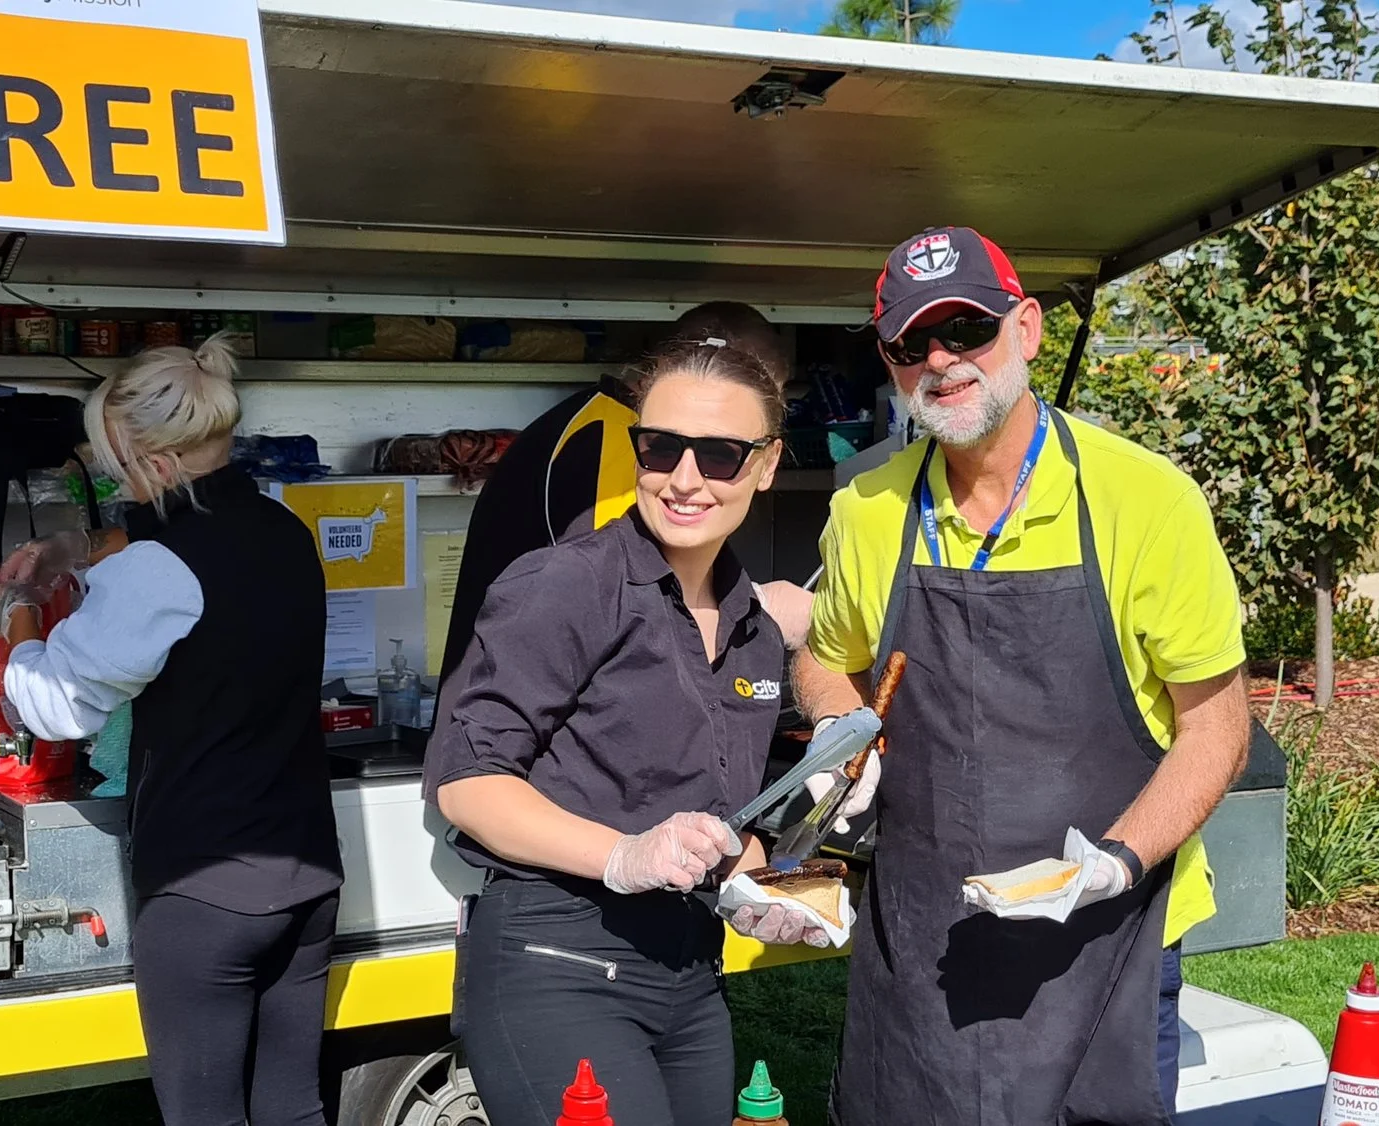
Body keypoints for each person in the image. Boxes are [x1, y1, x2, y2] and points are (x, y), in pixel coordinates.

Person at [794, 227, 1251, 1125]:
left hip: (1109, 936)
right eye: (910, 343)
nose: (941, 360)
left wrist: (1114, 865)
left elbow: (1219, 730)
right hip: (920, 937)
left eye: (967, 328)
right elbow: (822, 656)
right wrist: (839, 734)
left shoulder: (1145, 501)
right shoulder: (867, 507)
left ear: (1028, 329)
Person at [426, 341, 830, 1126]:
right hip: (558, 961)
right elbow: (468, 783)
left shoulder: (752, 626)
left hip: (688, 973)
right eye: (660, 447)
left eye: (718, 455)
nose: (683, 479)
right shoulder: (566, 584)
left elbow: (715, 814)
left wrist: (758, 888)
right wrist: (622, 854)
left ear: (768, 463)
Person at [0, 338, 342, 1126]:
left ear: (147, 461)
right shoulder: (284, 530)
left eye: (116, 464)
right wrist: (76, 553)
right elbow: (182, 584)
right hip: (307, 874)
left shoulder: (158, 566)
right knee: (291, 1108)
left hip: (205, 891)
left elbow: (57, 705)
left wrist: (15, 618)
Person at [440, 302, 802, 682]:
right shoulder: (614, 436)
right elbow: (616, 600)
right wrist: (760, 607)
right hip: (514, 709)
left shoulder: (595, 421)